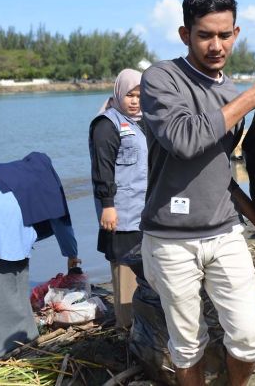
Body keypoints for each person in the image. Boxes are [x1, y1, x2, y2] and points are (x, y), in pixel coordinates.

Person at [139, 0, 255, 385]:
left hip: (224, 232)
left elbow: (220, 170)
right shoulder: (161, 79)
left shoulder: (230, 92)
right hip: (170, 238)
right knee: (187, 343)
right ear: (186, 35)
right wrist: (251, 98)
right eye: (205, 35)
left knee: (251, 338)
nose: (216, 45)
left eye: (224, 34)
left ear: (236, 32)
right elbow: (185, 140)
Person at [0, 152, 80, 358]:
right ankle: (11, 339)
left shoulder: (4, 171)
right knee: (12, 281)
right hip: (6, 218)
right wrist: (71, 255)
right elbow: (62, 222)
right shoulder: (46, 182)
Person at [89, 68, 147, 329]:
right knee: (125, 269)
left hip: (145, 211)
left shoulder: (144, 121)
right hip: (121, 214)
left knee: (147, 269)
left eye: (140, 95)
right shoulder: (106, 124)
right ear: (118, 95)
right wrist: (107, 206)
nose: (135, 101)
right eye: (129, 95)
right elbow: (102, 168)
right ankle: (127, 327)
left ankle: (145, 323)